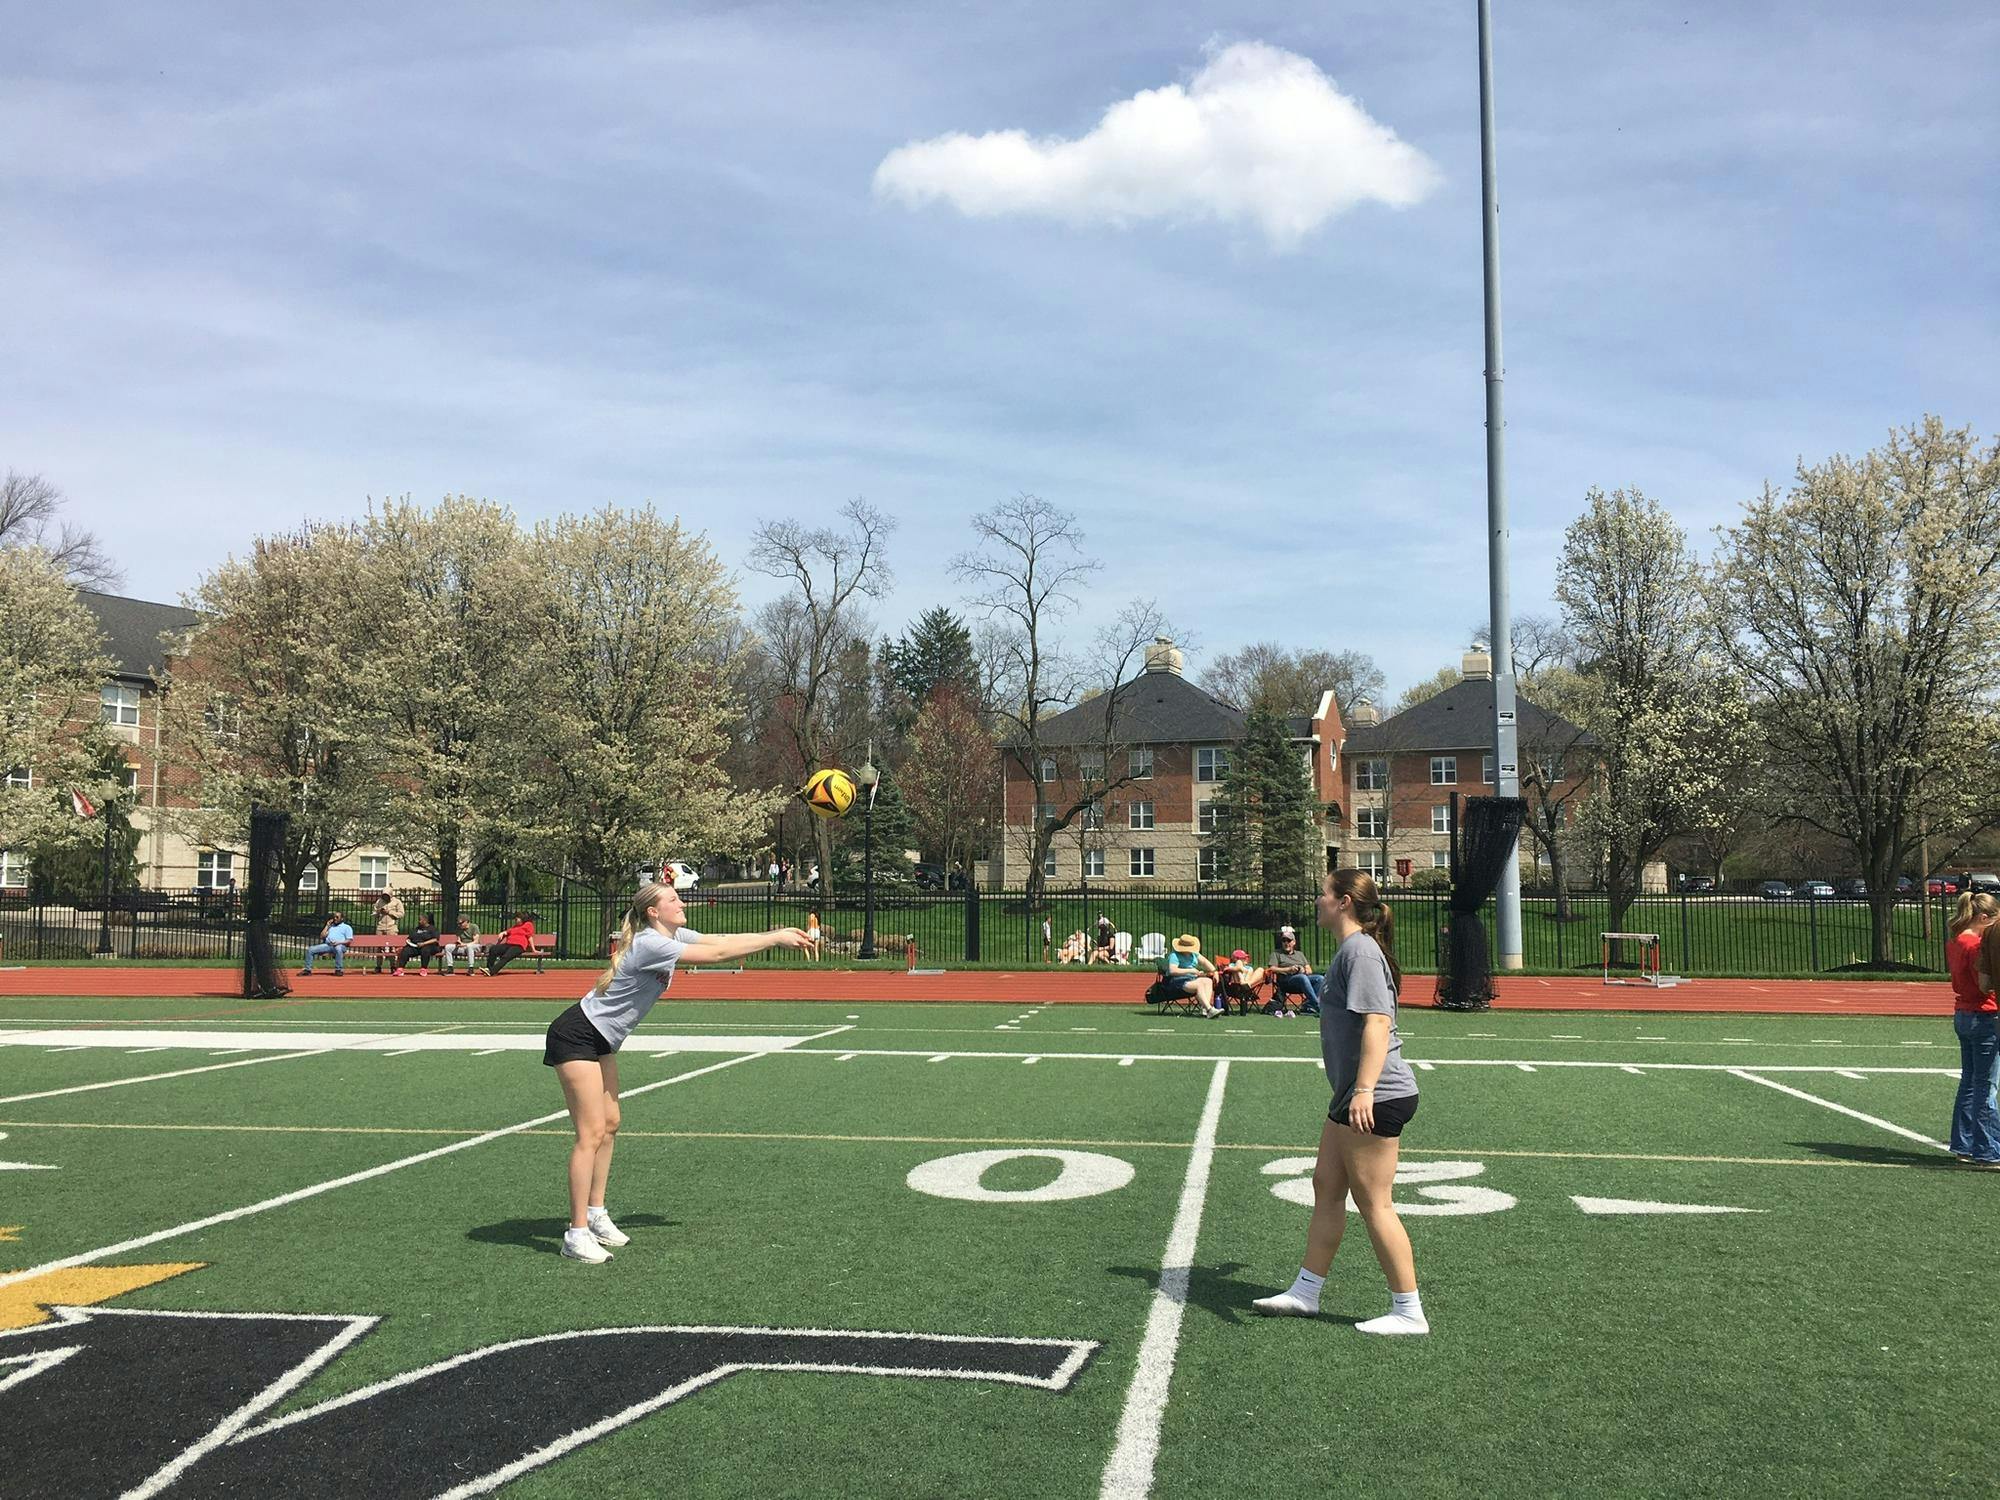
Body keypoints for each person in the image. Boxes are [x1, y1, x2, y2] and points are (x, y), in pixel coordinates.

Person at [545, 880, 816, 1262]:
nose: (681, 901)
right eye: (673, 899)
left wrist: (777, 932)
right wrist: (773, 939)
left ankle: (595, 1213)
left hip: (601, 1039)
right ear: (653, 911)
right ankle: (575, 1234)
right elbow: (719, 953)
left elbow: (717, 938)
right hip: (577, 1035)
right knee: (589, 1133)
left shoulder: (670, 932)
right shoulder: (651, 942)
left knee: (610, 1124)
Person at [1253, 868, 1427, 1335]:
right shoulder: (1350, 949)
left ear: (1344, 902)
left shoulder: (1361, 952)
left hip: (1376, 1094)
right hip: (1350, 1095)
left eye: (1324, 893)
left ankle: (1409, 1311)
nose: (1317, 900)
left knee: (1375, 1203)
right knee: (1326, 1186)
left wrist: (1365, 1090)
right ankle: (1306, 1292)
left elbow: (1377, 1022)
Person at [1947, 892, 2000, 1164]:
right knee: (1985, 1085)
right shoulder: (1974, 945)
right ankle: (1988, 1149)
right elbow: (1983, 985)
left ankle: (1963, 1144)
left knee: (1969, 1082)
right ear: (1983, 918)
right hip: (1984, 1015)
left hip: (1963, 1013)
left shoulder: (1957, 940)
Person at [1267, 925, 1322, 1016]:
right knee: (1302, 978)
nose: (1286, 943)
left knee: (1320, 978)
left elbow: (1309, 970)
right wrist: (1288, 969)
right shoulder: (1276, 954)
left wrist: (1303, 969)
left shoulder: (1300, 954)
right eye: (1284, 941)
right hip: (1286, 981)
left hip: (1302, 979)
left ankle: (1309, 1005)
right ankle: (1317, 1005)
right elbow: (1272, 968)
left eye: (1289, 940)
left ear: (1294, 942)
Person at [1160, 933, 1220, 1017]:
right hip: (1176, 982)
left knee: (1208, 981)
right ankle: (1209, 1009)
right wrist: (1191, 971)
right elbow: (1172, 971)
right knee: (1199, 985)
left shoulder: (1194, 954)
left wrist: (1215, 972)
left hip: (1191, 979)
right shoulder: (1174, 956)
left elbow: (1205, 962)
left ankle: (1204, 1008)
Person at [300, 911, 354, 976]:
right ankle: (307, 970)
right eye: (334, 917)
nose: (335, 918)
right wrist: (327, 925)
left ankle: (338, 970)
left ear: (342, 918)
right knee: (311, 949)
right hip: (328, 945)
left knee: (338, 949)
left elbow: (349, 940)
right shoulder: (331, 927)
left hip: (340, 945)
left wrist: (338, 942)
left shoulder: (347, 927)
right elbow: (322, 936)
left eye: (337, 917)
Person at [1218, 948, 1268, 1015]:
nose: (1246, 959)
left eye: (1245, 958)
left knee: (1260, 969)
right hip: (1236, 987)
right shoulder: (1232, 965)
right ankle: (1244, 984)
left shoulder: (1249, 968)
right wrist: (1235, 967)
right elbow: (1239, 968)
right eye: (1243, 958)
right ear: (1236, 959)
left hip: (1248, 988)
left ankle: (1247, 984)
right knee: (1238, 970)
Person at [394, 912, 443, 977]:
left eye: (420, 919)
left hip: (429, 946)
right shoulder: (417, 929)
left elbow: (435, 939)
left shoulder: (432, 929)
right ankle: (400, 969)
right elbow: (410, 938)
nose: (419, 921)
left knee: (425, 950)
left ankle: (423, 969)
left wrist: (424, 943)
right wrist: (408, 941)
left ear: (425, 920)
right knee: (405, 950)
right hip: (416, 946)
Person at [370, 891, 406, 973]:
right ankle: (378, 966)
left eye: (387, 896)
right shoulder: (379, 901)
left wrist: (389, 912)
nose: (385, 897)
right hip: (380, 926)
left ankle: (393, 966)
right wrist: (379, 912)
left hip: (391, 926)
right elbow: (374, 912)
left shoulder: (397, 902)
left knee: (392, 947)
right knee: (379, 947)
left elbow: (401, 914)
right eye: (384, 896)